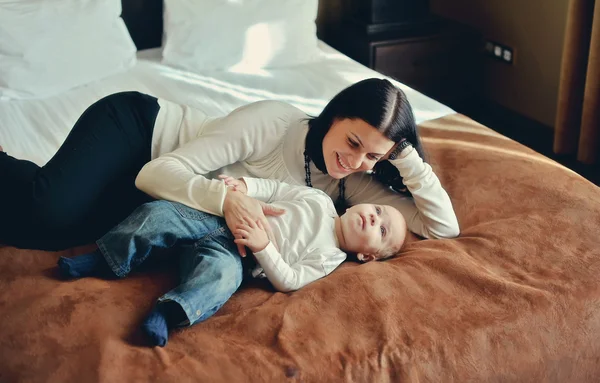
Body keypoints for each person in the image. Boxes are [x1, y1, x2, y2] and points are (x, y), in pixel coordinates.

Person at [0, 78, 459, 251]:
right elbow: (156, 171)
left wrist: (405, 156)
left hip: (164, 192)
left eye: (373, 156)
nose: (355, 161)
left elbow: (441, 229)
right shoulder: (273, 123)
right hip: (139, 133)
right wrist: (228, 202)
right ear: (333, 114)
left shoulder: (352, 181)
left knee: (60, 234)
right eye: (354, 141)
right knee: (49, 209)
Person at [57, 175, 409, 347]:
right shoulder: (318, 199)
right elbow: (274, 190)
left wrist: (262, 247)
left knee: (221, 280)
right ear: (359, 206)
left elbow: (289, 280)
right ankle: (106, 258)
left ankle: (168, 312)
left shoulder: (330, 256)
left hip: (235, 255)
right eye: (377, 211)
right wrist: (243, 186)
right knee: (157, 214)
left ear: (366, 256)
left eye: (381, 230)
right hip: (215, 218)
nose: (374, 219)